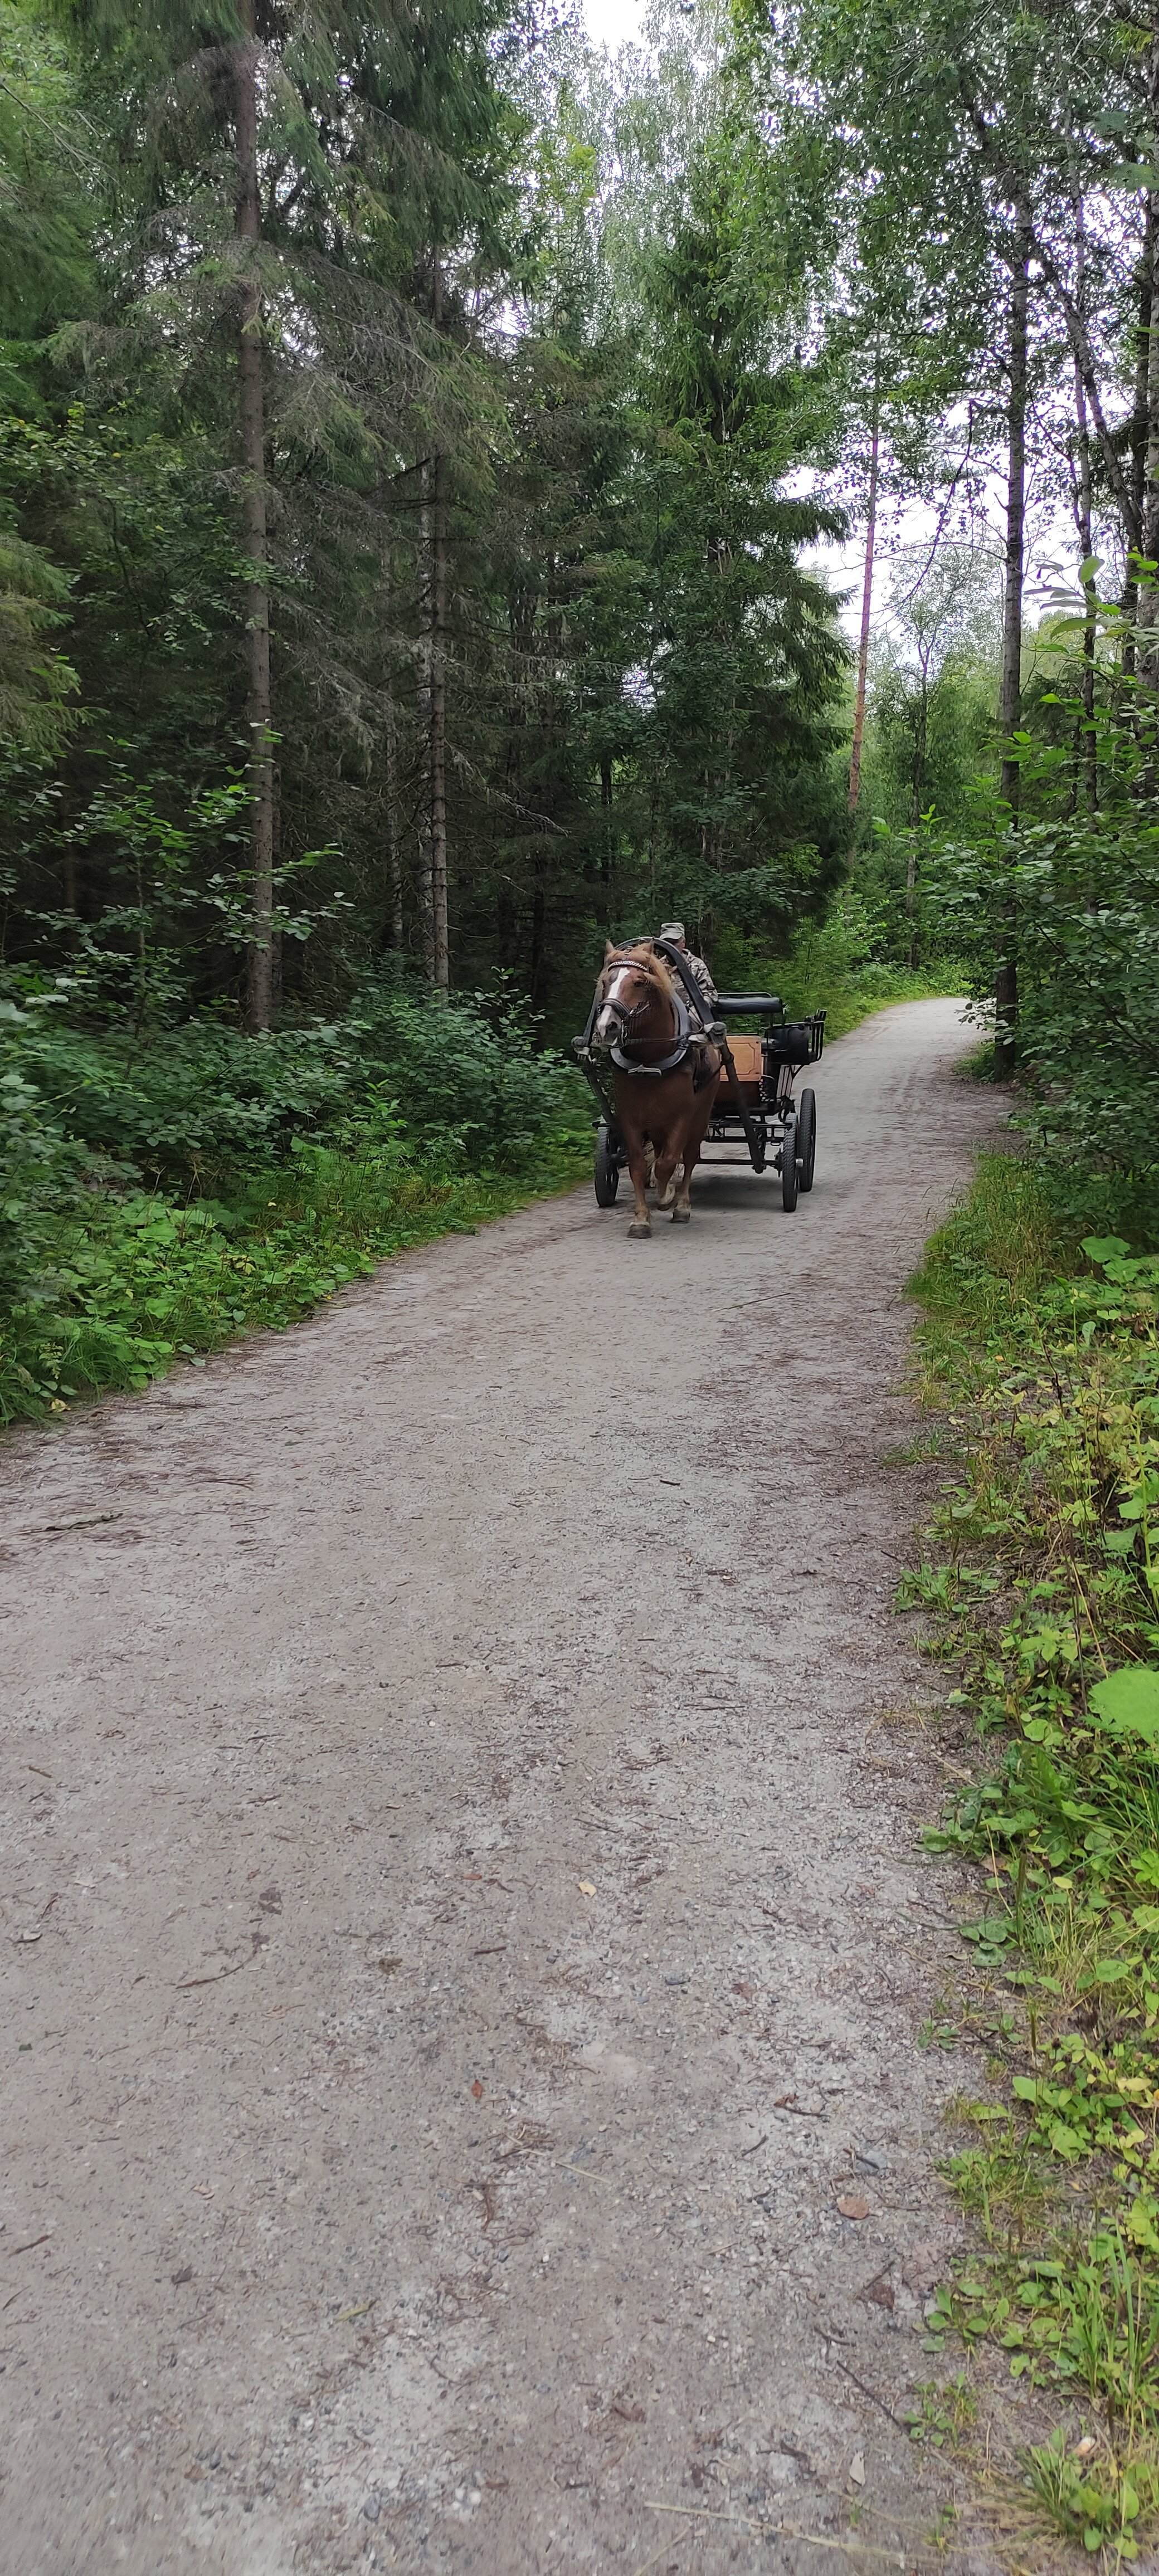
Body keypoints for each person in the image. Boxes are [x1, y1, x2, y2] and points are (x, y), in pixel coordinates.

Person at [658, 920, 717, 1027]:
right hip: (663, 1017)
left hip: (691, 1015)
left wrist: (697, 1010)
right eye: (666, 943)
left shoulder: (697, 965)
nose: (670, 947)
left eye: (674, 942)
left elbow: (710, 994)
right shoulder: (657, 967)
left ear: (683, 942)